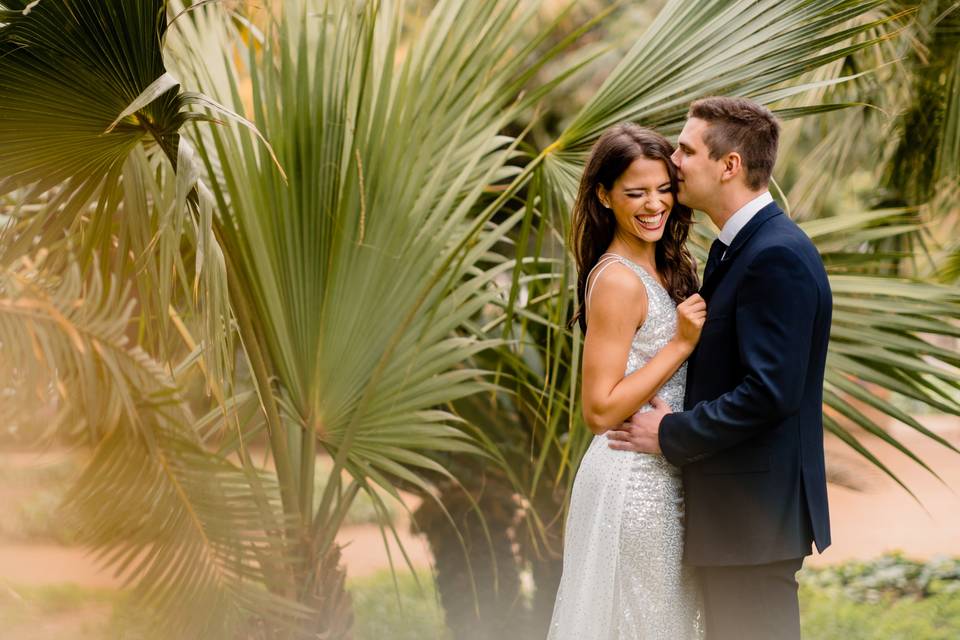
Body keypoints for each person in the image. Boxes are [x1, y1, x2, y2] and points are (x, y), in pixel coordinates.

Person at [606, 97, 833, 640]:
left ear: (728, 165)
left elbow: (769, 391)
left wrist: (671, 433)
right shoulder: (737, 249)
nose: (674, 160)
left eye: (686, 149)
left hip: (751, 521)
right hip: (735, 519)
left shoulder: (774, 254)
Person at [548, 123, 706, 639]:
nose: (653, 205)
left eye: (663, 189)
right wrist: (679, 344)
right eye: (635, 193)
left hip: (665, 473)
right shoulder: (617, 279)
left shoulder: (665, 264)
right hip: (633, 484)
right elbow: (598, 410)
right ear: (603, 196)